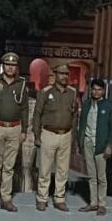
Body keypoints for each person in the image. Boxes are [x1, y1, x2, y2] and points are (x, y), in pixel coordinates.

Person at [0, 52, 29, 212]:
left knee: (9, 166)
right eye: (8, 64)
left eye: (13, 65)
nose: (10, 67)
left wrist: (24, 130)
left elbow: (24, 108)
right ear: (3, 66)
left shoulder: (22, 83)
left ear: (17, 67)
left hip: (15, 128)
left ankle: (6, 198)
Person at [32, 64, 78, 212]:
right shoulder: (46, 92)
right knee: (45, 169)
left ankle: (59, 198)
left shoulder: (72, 93)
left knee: (63, 170)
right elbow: (37, 114)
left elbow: (75, 115)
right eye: (61, 74)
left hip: (66, 134)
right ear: (55, 75)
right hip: (48, 134)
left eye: (66, 74)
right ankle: (42, 198)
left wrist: (73, 135)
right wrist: (37, 135)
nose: (64, 76)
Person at [77, 79, 112, 216]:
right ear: (91, 90)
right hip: (88, 142)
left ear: (104, 91)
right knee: (91, 175)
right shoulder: (86, 104)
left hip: (101, 144)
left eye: (99, 89)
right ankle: (93, 203)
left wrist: (110, 145)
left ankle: (102, 204)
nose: (96, 92)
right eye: (94, 89)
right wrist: (80, 143)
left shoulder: (109, 106)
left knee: (101, 176)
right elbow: (82, 124)